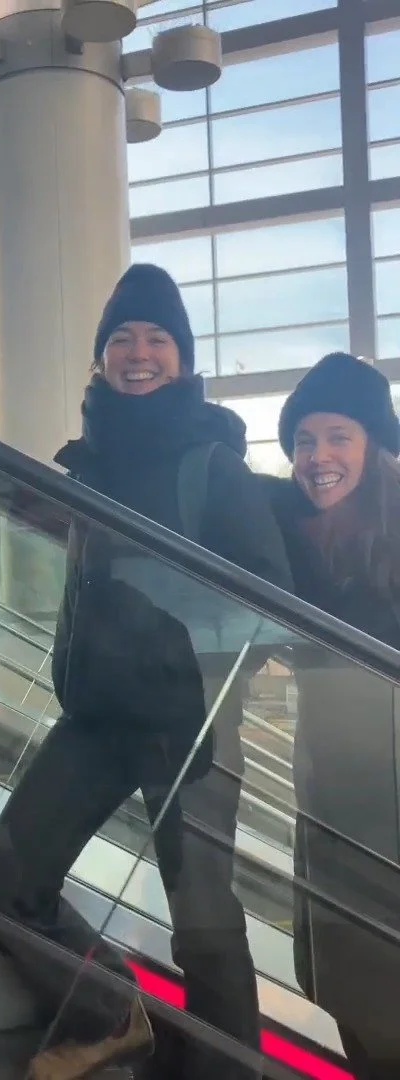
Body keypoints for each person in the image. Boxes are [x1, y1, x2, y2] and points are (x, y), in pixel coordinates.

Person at [0, 264, 294, 1080]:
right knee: (7, 879)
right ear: (101, 356)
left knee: (204, 930)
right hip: (97, 719)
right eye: (123, 338)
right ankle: (112, 1013)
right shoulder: (91, 463)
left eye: (157, 339)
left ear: (182, 360)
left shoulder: (212, 463)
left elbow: (270, 599)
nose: (139, 352)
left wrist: (167, 629)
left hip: (190, 727)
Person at [267, 352, 400, 1080]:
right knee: (352, 995)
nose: (318, 457)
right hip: (332, 807)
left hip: (389, 808)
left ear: (375, 445)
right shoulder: (300, 535)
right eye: (304, 440)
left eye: (339, 437)